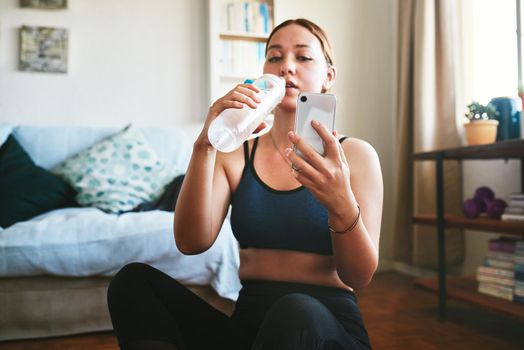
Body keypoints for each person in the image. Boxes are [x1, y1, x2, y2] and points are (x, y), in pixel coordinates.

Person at [107, 18, 383, 350]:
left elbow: (359, 276)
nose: (286, 68)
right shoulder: (237, 152)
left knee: (296, 310)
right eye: (275, 57)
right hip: (250, 330)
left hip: (326, 328)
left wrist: (340, 204)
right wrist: (205, 144)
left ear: (328, 76)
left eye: (303, 57)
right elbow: (191, 242)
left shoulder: (355, 155)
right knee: (133, 282)